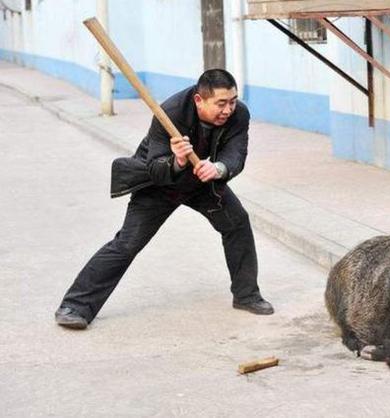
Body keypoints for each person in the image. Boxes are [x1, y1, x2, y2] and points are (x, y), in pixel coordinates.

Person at [55, 69, 273, 330]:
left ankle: (246, 295)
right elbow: (155, 168)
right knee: (127, 243)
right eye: (221, 103)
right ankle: (75, 306)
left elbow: (236, 154)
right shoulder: (169, 113)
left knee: (237, 224)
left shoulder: (239, 115)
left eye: (233, 101)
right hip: (160, 184)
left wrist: (219, 168)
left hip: (204, 183)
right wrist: (178, 160)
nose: (228, 109)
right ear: (198, 100)